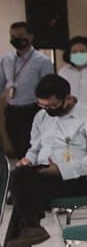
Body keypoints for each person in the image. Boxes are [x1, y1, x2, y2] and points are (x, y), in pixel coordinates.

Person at [0, 74, 87, 247]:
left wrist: (61, 169)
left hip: (74, 179)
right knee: (21, 174)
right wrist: (27, 160)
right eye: (42, 105)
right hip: (41, 173)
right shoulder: (41, 117)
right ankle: (30, 229)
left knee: (24, 191)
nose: (47, 110)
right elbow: (35, 148)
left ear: (67, 99)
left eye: (52, 106)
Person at [1, 22, 53, 158]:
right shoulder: (6, 60)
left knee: (33, 149)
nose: (16, 39)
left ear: (30, 36)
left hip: (33, 110)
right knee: (17, 147)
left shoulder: (43, 61)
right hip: (12, 111)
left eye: (20, 35)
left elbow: (49, 89)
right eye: (13, 36)